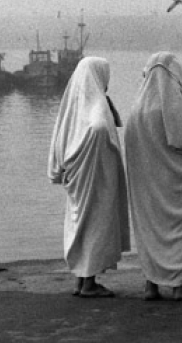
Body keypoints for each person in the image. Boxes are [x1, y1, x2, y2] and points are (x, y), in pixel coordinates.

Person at [124, 52, 182, 302]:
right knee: (178, 227)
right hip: (174, 185)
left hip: (147, 189)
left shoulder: (137, 109)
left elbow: (132, 149)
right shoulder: (172, 105)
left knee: (150, 229)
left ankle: (151, 285)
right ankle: (177, 287)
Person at [48, 57, 130, 298]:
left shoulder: (74, 106)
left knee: (80, 224)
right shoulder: (97, 109)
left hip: (77, 178)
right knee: (94, 225)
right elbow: (99, 129)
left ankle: (82, 279)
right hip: (95, 179)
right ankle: (89, 284)